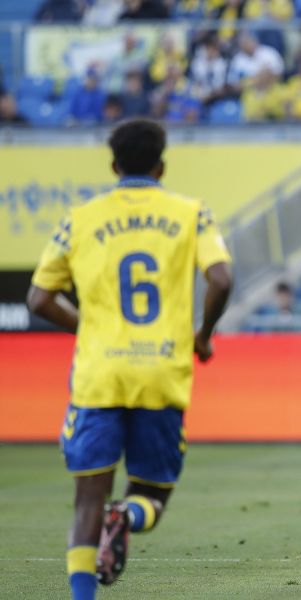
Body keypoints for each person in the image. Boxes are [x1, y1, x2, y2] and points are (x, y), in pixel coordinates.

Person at [26, 120, 232, 600]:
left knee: (87, 500)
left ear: (113, 165)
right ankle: (128, 516)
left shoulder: (80, 218)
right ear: (162, 164)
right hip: (161, 371)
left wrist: (90, 327)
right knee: (153, 493)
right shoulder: (190, 214)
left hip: (99, 374)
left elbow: (38, 300)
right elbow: (221, 279)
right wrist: (202, 336)